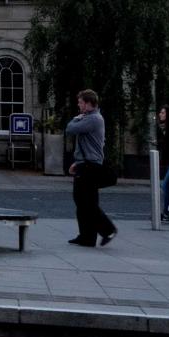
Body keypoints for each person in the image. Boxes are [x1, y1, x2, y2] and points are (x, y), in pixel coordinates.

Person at [65, 89, 117, 248]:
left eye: (80, 102)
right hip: (86, 163)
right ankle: (87, 237)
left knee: (84, 201)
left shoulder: (93, 119)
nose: (78, 105)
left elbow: (70, 129)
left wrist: (75, 119)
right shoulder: (91, 118)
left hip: (89, 166)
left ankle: (108, 230)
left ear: (88, 103)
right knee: (85, 201)